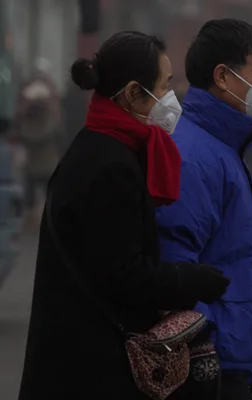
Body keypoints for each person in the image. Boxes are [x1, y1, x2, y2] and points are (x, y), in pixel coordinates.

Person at [18, 31, 231, 400]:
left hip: (79, 354)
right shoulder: (109, 166)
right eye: (164, 86)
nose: (172, 97)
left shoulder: (101, 146)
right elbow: (123, 274)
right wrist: (190, 280)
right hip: (92, 366)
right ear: (134, 93)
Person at [154, 19, 252, 400]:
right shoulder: (194, 155)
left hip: (234, 354)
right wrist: (202, 349)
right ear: (223, 77)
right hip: (210, 365)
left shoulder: (224, 147)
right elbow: (176, 266)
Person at [12, 59, 63, 229]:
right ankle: (39, 218)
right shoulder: (47, 96)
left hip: (38, 155)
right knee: (38, 188)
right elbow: (56, 126)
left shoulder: (36, 95)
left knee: (36, 188)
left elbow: (20, 121)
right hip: (40, 155)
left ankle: (36, 217)